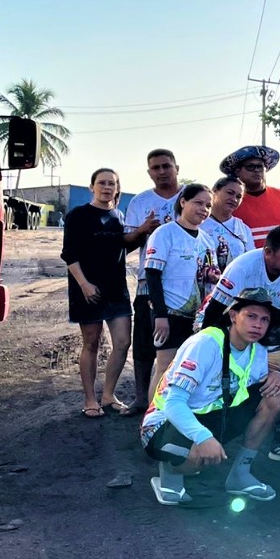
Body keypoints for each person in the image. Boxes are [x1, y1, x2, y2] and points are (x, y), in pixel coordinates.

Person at [141, 289, 280, 506]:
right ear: (233, 316)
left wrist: (277, 374)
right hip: (163, 423)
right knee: (198, 455)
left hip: (209, 414)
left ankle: (240, 474)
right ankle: (169, 475)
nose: (258, 325)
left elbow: (258, 385)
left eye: (265, 319)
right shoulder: (205, 343)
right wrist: (203, 437)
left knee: (272, 397)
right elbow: (173, 402)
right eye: (251, 316)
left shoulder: (258, 352)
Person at [200, 225, 280, 468]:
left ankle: (278, 440)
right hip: (232, 320)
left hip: (271, 322)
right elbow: (215, 310)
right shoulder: (243, 267)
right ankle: (206, 435)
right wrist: (210, 347)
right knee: (219, 378)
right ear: (268, 252)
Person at [62, 168, 134, 418]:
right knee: (91, 343)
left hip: (117, 291)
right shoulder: (78, 215)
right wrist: (84, 284)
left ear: (117, 188)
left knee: (123, 343)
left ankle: (109, 395)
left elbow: (122, 249)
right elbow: (69, 254)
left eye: (111, 183)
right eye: (101, 183)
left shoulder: (119, 216)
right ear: (92, 186)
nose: (106, 187)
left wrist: (145, 230)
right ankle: (90, 399)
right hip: (87, 290)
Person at [145, 183, 219, 396]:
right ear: (183, 201)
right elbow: (152, 274)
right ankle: (152, 420)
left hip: (196, 317)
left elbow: (207, 272)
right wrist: (160, 315)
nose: (203, 209)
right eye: (198, 203)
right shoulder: (164, 234)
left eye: (208, 205)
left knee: (188, 369)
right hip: (169, 314)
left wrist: (212, 275)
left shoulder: (206, 239)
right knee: (165, 367)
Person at [124, 148, 181, 412]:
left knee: (183, 342)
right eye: (155, 168)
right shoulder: (139, 202)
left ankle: (177, 398)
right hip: (149, 281)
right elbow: (126, 243)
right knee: (145, 342)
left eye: (166, 166)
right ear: (149, 173)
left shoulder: (190, 196)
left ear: (176, 168)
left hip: (185, 283)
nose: (161, 172)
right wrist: (143, 230)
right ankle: (140, 399)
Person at [221, 145, 280, 249]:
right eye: (250, 167)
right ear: (237, 172)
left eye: (260, 166)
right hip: (246, 263)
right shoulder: (231, 202)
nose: (257, 170)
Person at [200, 176, 254, 273]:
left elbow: (251, 261)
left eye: (238, 196)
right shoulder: (199, 223)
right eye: (230, 193)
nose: (234, 199)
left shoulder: (243, 229)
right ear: (214, 191)